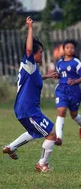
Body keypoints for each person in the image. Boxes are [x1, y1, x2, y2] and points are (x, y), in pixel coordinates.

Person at [2, 16, 58, 172]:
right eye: (40, 52)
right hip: (28, 110)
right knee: (51, 134)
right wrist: (30, 27)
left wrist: (47, 76)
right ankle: (42, 164)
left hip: (25, 109)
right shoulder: (29, 62)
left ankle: (11, 147)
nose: (41, 55)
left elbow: (35, 79)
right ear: (33, 53)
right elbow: (28, 49)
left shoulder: (32, 68)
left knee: (34, 132)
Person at [54, 39, 81, 146]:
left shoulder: (76, 63)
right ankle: (58, 137)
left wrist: (75, 81)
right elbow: (61, 74)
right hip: (61, 90)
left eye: (72, 48)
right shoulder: (59, 63)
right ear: (63, 50)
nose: (70, 49)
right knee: (61, 111)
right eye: (67, 48)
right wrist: (57, 76)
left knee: (74, 115)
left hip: (74, 91)